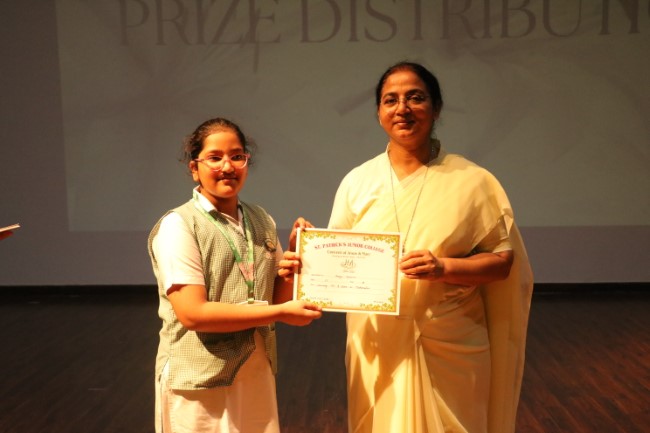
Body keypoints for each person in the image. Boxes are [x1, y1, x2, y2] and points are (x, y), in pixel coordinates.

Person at [328, 62, 534, 433]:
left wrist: (443, 268)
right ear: (379, 112)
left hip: (452, 339)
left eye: (416, 98)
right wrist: (307, 254)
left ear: (436, 108)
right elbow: (336, 258)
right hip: (377, 343)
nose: (402, 109)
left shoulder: (472, 181)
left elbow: (502, 262)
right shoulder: (358, 182)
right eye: (391, 100)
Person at [148, 117, 323, 433]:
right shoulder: (179, 225)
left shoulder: (261, 219)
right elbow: (193, 314)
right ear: (194, 168)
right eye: (215, 158)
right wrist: (280, 313)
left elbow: (277, 297)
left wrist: (295, 263)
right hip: (197, 378)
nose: (227, 166)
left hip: (254, 370)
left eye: (237, 156)